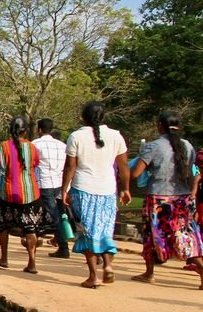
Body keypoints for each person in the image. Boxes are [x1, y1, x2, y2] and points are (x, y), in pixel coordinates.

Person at [128, 111, 203, 289]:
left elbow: (135, 173)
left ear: (160, 126)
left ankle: (149, 273)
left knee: (153, 234)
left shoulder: (153, 147)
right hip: (182, 198)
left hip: (158, 198)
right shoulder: (187, 146)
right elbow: (190, 170)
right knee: (185, 235)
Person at [62, 101, 130, 289]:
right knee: (104, 230)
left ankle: (93, 276)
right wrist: (125, 188)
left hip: (83, 189)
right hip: (108, 189)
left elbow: (70, 166)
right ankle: (107, 265)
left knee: (87, 231)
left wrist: (64, 189)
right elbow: (123, 166)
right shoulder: (116, 136)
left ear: (83, 117)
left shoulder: (76, 136)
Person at [0, 116, 56, 274]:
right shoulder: (32, 148)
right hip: (30, 192)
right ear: (25, 131)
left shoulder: (4, 146)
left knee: (3, 225)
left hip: (9, 191)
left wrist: (3, 170)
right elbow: (36, 163)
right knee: (31, 227)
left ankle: (4, 258)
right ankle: (31, 262)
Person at [32, 118, 70, 259]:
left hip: (44, 183)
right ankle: (62, 245)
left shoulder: (35, 144)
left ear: (39, 130)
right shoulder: (62, 145)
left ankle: (62, 247)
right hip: (60, 184)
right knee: (59, 214)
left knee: (50, 216)